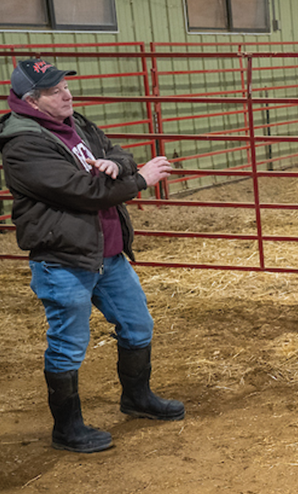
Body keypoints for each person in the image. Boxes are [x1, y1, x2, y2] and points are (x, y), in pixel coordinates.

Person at [0, 58, 182, 453]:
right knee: (68, 343)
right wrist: (140, 180)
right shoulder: (24, 145)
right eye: (55, 91)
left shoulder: (75, 123)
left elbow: (116, 152)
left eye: (65, 86)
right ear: (31, 101)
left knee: (138, 326)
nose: (67, 94)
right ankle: (67, 428)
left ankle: (137, 398)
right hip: (64, 260)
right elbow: (84, 192)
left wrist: (116, 165)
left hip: (108, 254)